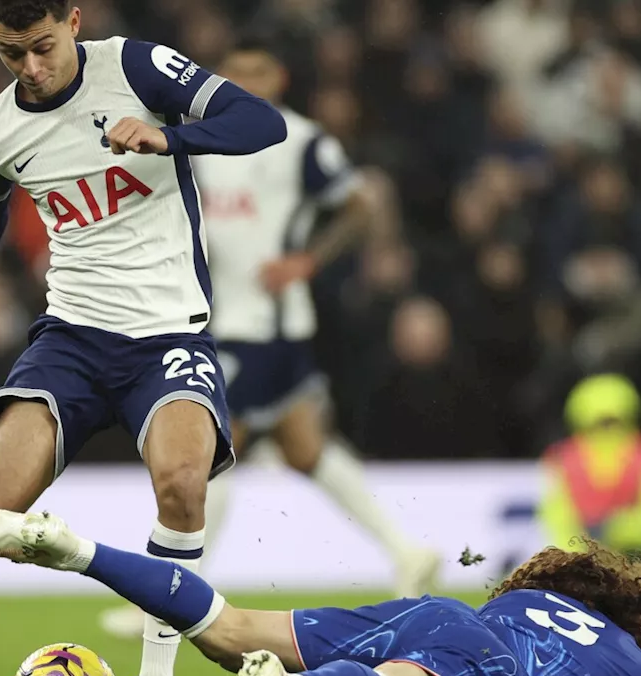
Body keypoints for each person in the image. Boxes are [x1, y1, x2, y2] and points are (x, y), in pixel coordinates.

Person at [0, 2, 287, 676]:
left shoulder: (137, 68)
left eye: (43, 47)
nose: (31, 67)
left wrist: (171, 137)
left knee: (182, 485)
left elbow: (260, 121)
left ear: (74, 21)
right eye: (11, 52)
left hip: (170, 336)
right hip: (73, 342)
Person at [99, 37, 438, 639]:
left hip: (264, 325)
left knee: (204, 450)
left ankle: (170, 593)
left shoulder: (301, 138)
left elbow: (360, 206)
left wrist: (308, 260)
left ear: (278, 78)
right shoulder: (202, 134)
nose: (246, 82)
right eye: (235, 72)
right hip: (224, 318)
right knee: (305, 448)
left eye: (257, 72)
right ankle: (407, 551)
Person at [0, 508, 641, 676]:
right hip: (492, 675)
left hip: (442, 614)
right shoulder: (636, 671)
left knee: (231, 631)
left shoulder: (533, 594)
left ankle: (79, 550)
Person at [541, 374, 641, 559]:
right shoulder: (560, 458)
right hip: (582, 559)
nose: (607, 429)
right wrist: (576, 551)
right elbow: (557, 514)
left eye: (611, 422)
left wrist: (614, 531)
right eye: (602, 422)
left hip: (635, 555)